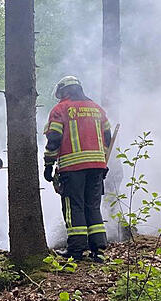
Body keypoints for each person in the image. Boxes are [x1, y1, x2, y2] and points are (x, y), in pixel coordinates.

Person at [43, 76, 113, 262]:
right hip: (97, 166)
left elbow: (54, 139)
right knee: (92, 206)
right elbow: (108, 137)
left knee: (74, 207)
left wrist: (48, 164)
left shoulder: (60, 109)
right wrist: (102, 161)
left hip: (72, 167)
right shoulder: (97, 109)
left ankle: (76, 250)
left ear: (65, 91)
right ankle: (97, 249)